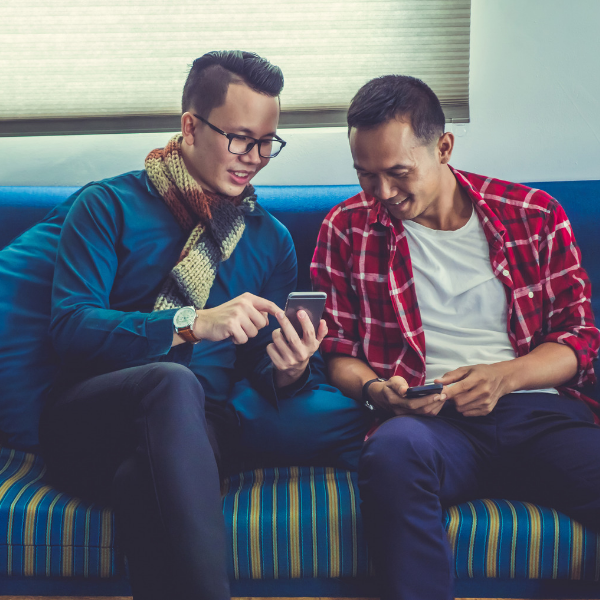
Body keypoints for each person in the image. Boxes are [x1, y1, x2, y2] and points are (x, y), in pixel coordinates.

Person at [0, 51, 370, 599]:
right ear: (191, 126)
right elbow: (72, 326)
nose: (256, 158)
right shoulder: (107, 206)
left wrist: (290, 370)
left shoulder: (270, 241)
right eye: (241, 138)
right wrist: (190, 323)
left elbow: (258, 371)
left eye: (269, 142)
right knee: (173, 381)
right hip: (88, 414)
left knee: (142, 479)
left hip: (201, 433)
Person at [310, 74, 600, 600]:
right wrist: (377, 392)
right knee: (391, 455)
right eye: (366, 175)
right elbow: (338, 354)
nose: (383, 193)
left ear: (443, 147)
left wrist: (504, 377)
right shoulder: (345, 229)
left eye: (399, 173)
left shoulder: (534, 215)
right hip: (431, 425)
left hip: (537, 413)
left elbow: (578, 340)